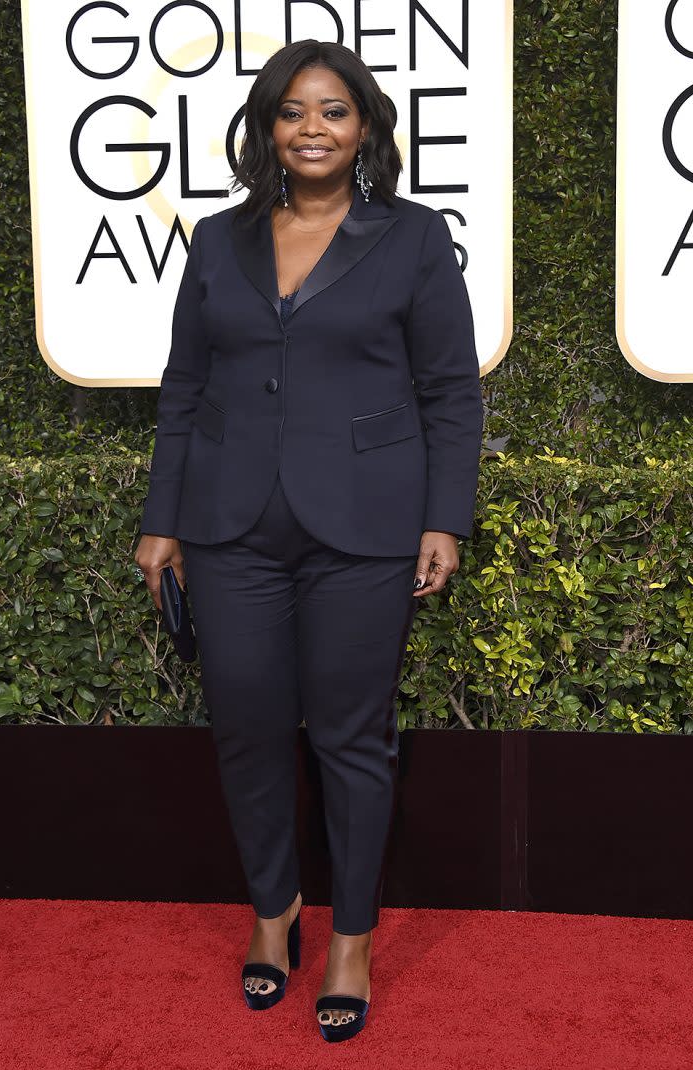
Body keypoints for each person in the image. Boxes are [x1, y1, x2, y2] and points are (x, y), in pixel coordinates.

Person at [134, 38, 483, 1043]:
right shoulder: (216, 240)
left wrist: (442, 516)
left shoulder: (412, 238)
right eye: (293, 111)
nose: (314, 127)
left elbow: (451, 391)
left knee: (349, 738)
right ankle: (274, 912)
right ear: (266, 130)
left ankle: (352, 940)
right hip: (230, 525)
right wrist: (164, 519)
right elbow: (186, 389)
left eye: (334, 109)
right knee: (246, 727)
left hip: (365, 526)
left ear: (365, 126)